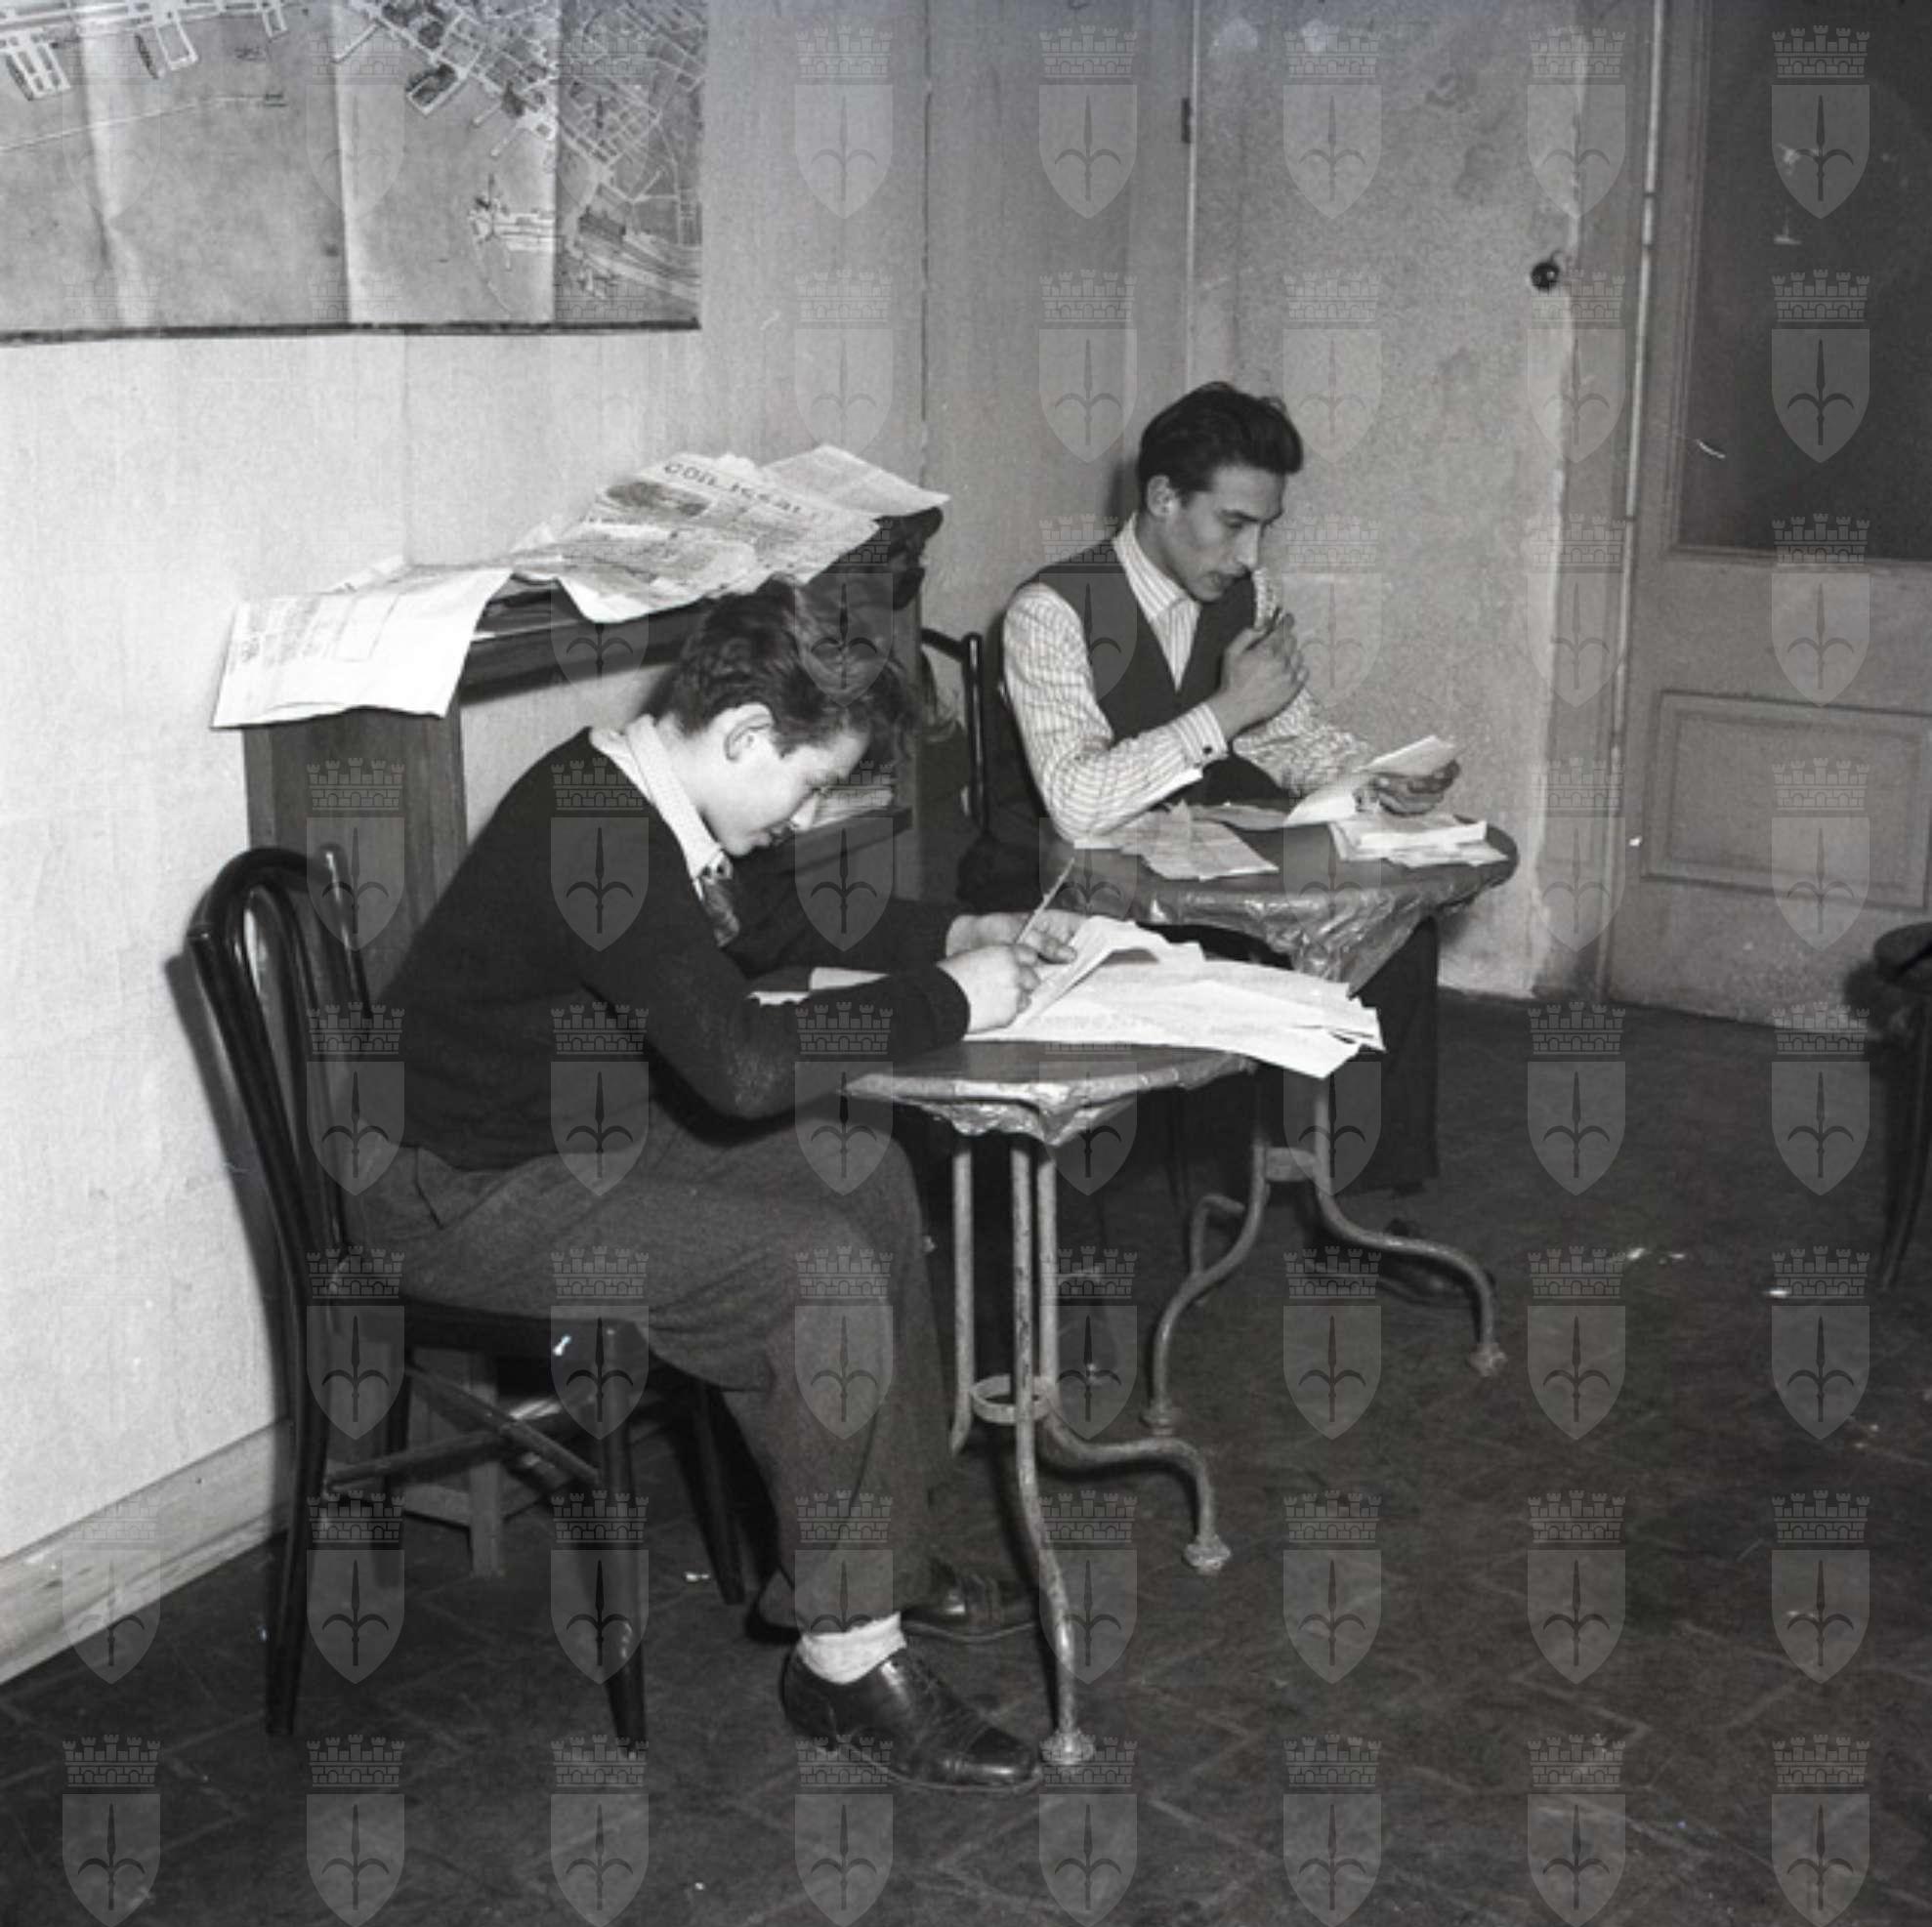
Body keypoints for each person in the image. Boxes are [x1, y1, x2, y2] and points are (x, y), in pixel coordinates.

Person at [357, 578, 1080, 1793]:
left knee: (866, 1176)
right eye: (809, 784)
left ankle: (881, 1560)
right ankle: (844, 1660)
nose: (806, 816)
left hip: (561, 1138)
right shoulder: (594, 828)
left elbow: (771, 935)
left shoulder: (651, 796)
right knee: (810, 1270)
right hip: (449, 1193)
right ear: (746, 734)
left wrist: (954, 934)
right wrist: (953, 1001)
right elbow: (743, 1069)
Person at [962, 382, 1461, 1272]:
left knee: (1389, 937)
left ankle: (1355, 1214)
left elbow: (1289, 737)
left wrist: (1376, 778)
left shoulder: (1248, 593)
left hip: (1190, 860)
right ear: (1163, 498)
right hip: (1052, 874)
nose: (1249, 553)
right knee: (1088, 961)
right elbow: (1077, 802)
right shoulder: (1051, 611)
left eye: (1264, 527)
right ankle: (1062, 1260)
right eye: (1232, 524)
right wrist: (1225, 711)